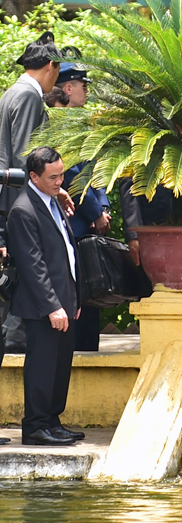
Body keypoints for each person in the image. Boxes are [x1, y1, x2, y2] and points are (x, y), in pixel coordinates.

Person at [7, 147, 84, 446]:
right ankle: (36, 425)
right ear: (34, 177)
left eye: (62, 174)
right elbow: (32, 265)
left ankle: (52, 420)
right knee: (42, 365)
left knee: (60, 364)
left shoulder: (53, 200)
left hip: (64, 299)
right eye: (53, 177)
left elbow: (66, 252)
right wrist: (53, 306)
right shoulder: (23, 210)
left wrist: (73, 298)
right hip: (43, 305)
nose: (59, 181)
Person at [0, 32, 66, 355]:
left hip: (11, 198)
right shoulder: (28, 96)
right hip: (19, 201)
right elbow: (28, 158)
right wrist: (47, 195)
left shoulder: (11, 92)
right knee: (29, 266)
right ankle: (15, 332)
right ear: (51, 66)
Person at [46, 62, 111, 352]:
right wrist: (95, 213)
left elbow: (96, 169)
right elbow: (70, 175)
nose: (87, 91)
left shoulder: (82, 123)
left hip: (89, 219)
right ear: (68, 88)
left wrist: (104, 207)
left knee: (92, 290)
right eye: (83, 86)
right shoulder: (57, 125)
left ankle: (88, 348)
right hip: (74, 220)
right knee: (76, 288)